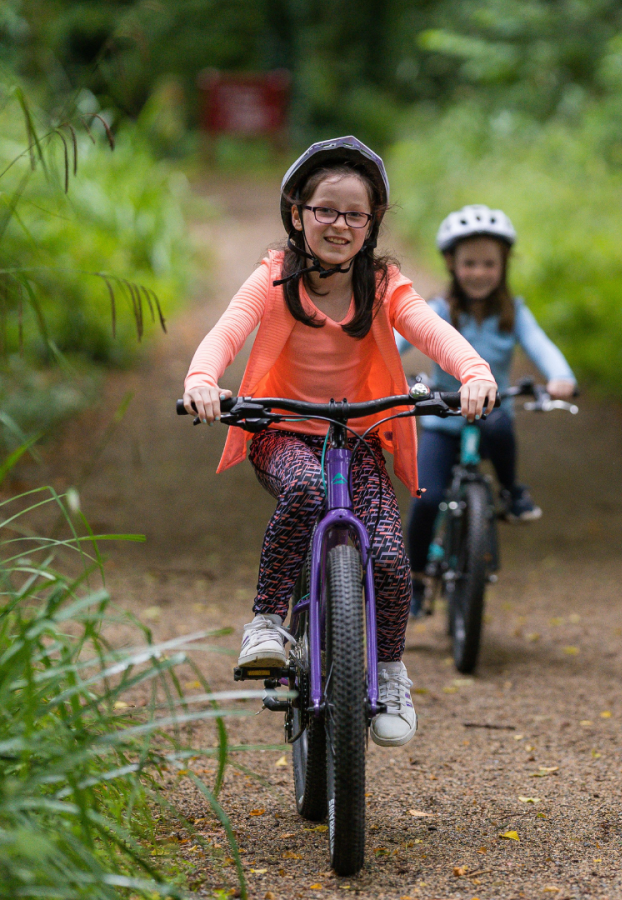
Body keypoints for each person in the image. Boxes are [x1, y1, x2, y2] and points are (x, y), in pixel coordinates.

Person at [181, 137, 498, 747]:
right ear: (297, 213)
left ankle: (389, 670)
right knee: (301, 489)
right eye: (326, 209)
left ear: (372, 222)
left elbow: (432, 330)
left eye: (356, 214)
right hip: (281, 431)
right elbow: (227, 330)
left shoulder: (382, 285)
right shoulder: (273, 277)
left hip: (361, 438)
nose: (340, 224)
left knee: (388, 557)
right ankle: (268, 623)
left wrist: (475, 373)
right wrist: (202, 380)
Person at [400, 205, 577, 616]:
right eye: (469, 263)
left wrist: (560, 375)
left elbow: (541, 346)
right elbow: (398, 340)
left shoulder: (512, 311)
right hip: (442, 422)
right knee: (426, 499)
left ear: (503, 265)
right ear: (451, 263)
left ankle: (512, 491)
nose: (479, 272)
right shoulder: (439, 310)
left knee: (500, 426)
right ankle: (416, 577)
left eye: (488, 263)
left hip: (492, 415)